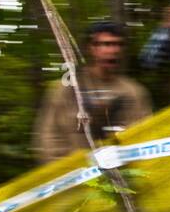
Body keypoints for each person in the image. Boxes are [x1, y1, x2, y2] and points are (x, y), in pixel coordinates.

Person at [33, 20, 152, 163]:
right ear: (91, 48)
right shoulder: (66, 89)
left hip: (122, 175)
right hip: (74, 176)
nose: (113, 50)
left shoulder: (134, 92)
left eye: (118, 44)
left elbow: (145, 136)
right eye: (106, 44)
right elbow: (48, 138)